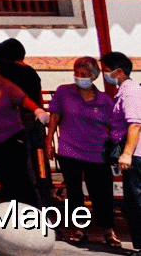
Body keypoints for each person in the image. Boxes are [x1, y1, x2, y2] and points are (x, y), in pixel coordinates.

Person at [48, 55, 120, 246]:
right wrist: (49, 143)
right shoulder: (64, 92)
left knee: (102, 192)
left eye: (84, 74)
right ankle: (79, 228)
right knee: (74, 191)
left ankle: (108, 231)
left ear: (93, 77)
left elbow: (114, 125)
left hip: (96, 151)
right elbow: (54, 117)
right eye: (77, 73)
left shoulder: (104, 100)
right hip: (68, 149)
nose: (79, 77)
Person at [0, 49, 47, 206]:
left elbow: (23, 99)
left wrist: (38, 110)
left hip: (12, 138)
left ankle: (34, 212)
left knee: (21, 178)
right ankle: (14, 215)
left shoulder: (6, 85)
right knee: (4, 179)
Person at [107, 51, 141, 250]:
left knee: (137, 201)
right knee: (133, 201)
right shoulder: (124, 91)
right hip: (133, 154)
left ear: (118, 72)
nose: (105, 75)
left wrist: (127, 153)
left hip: (136, 155)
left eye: (106, 71)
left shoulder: (129, 92)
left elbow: (135, 124)